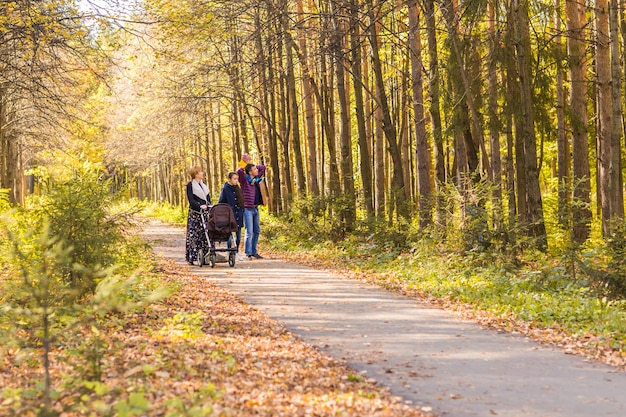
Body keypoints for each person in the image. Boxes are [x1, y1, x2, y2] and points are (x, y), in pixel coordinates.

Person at [237, 161, 266, 259]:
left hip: (255, 209)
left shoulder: (256, 179)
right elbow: (239, 171)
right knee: (249, 231)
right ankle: (248, 252)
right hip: (247, 209)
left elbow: (263, 167)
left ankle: (254, 251)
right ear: (249, 172)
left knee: (257, 230)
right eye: (254, 169)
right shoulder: (245, 181)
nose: (257, 170)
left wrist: (252, 166)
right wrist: (245, 163)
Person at [185, 166, 211, 265]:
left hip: (205, 213)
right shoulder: (190, 185)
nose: (202, 173)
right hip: (195, 213)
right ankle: (192, 256)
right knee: (194, 235)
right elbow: (191, 200)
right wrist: (200, 206)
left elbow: (208, 198)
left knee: (205, 234)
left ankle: (205, 256)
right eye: (200, 172)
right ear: (196, 174)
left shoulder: (203, 185)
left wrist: (208, 205)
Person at [218, 172, 245, 261]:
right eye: (234, 179)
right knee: (229, 235)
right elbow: (221, 202)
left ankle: (236, 251)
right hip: (229, 214)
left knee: (238, 234)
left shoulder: (238, 188)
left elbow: (241, 201)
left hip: (238, 214)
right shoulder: (225, 189)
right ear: (229, 179)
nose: (236, 181)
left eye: (237, 179)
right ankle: (230, 252)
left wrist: (241, 210)